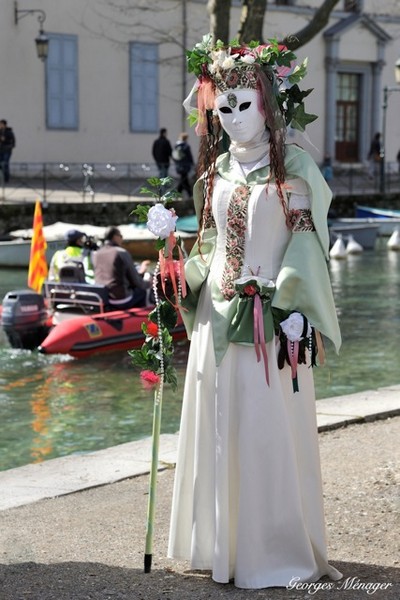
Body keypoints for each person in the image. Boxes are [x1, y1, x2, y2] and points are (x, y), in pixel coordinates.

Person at [167, 38, 342, 590]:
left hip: (273, 325)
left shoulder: (294, 168)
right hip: (212, 328)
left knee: (267, 435)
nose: (235, 117)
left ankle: (272, 550)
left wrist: (288, 304)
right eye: (225, 107)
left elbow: (308, 244)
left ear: (269, 104)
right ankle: (221, 546)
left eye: (246, 104)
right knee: (218, 431)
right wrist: (176, 277)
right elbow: (211, 243)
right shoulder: (216, 168)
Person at [93, 226, 151, 309]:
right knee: (144, 291)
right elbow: (137, 282)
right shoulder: (121, 252)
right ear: (115, 236)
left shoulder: (96, 254)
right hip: (120, 300)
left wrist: (141, 272)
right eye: (120, 236)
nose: (122, 238)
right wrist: (149, 283)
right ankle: (141, 319)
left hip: (103, 298)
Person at [172, 132, 194, 197]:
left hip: (178, 165)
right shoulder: (186, 146)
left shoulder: (176, 146)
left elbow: (174, 156)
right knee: (184, 179)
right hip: (185, 165)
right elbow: (189, 156)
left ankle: (178, 192)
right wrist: (192, 163)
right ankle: (189, 193)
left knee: (183, 179)